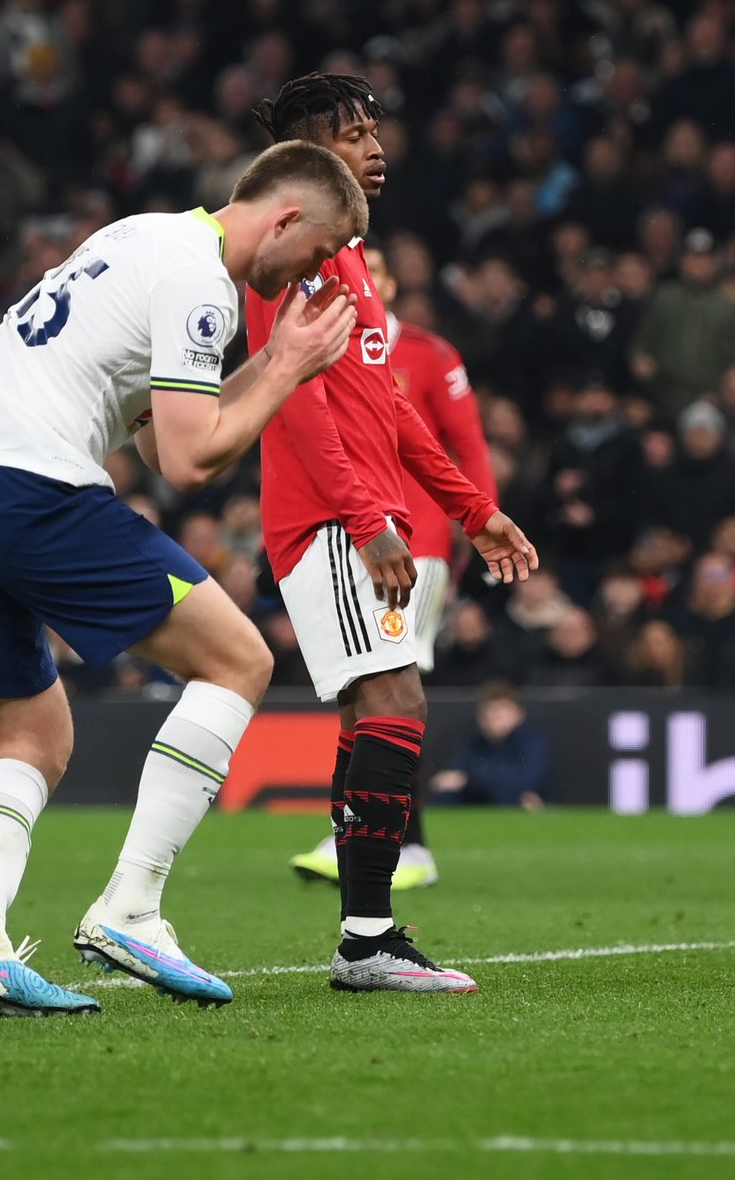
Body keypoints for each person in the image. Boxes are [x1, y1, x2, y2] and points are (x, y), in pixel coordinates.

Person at [0, 140, 363, 1015]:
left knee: (31, 743)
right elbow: (192, 463)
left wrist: (270, 367)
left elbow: (156, 440)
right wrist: (292, 371)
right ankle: (133, 907)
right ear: (287, 217)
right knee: (240, 661)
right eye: (317, 252)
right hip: (28, 486)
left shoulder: (144, 236)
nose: (314, 272)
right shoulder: (202, 285)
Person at [248, 74, 537, 995]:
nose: (377, 147)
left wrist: (470, 509)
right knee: (397, 701)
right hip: (332, 517)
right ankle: (367, 940)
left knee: (373, 711)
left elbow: (391, 408)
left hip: (370, 516)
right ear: (307, 154)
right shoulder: (287, 254)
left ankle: (363, 933)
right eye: (354, 133)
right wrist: (369, 520)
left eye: (376, 130)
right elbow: (291, 401)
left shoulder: (348, 263)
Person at [290, 245, 496, 891]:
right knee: (372, 685)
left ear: (389, 284)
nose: (365, 280)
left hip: (420, 539)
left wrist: (476, 520)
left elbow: (468, 445)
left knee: (391, 686)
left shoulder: (430, 356)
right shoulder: (331, 342)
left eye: (376, 272)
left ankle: (408, 844)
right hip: (361, 530)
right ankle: (379, 834)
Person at [429, 682, 550, 809]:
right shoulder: (474, 743)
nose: (492, 719)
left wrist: (471, 779)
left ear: (518, 713)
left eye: (499, 714)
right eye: (487, 714)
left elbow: (526, 783)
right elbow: (452, 776)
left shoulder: (530, 744)